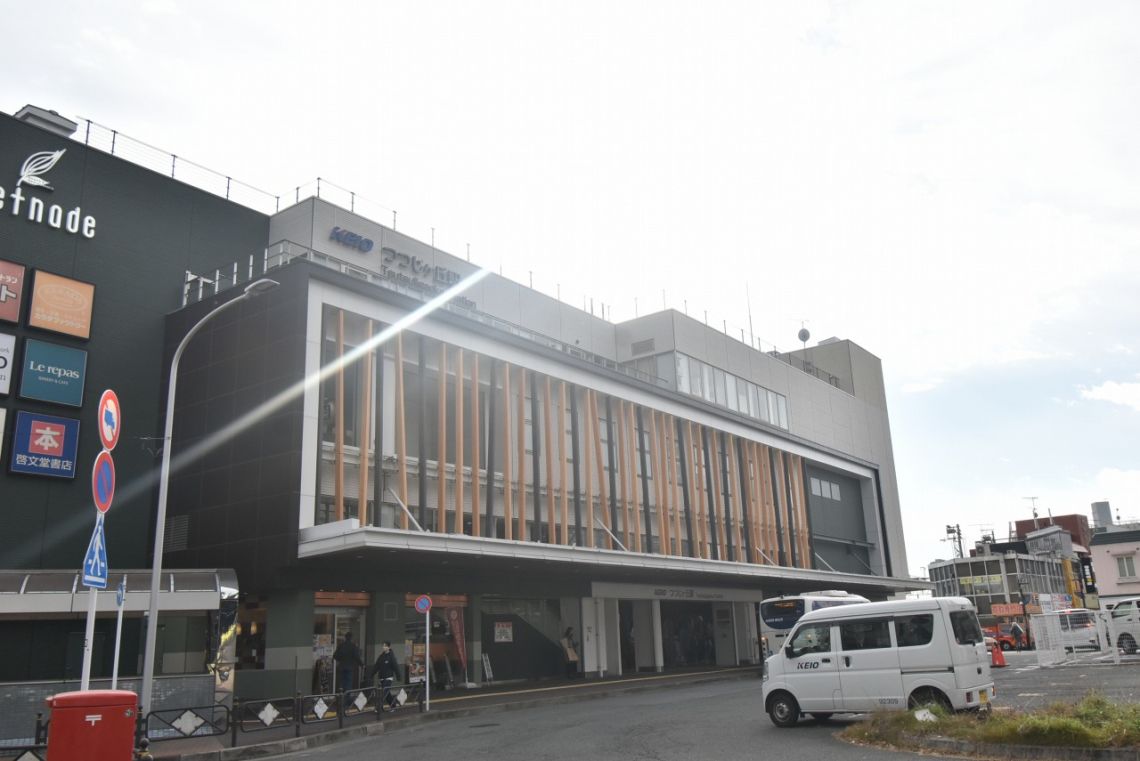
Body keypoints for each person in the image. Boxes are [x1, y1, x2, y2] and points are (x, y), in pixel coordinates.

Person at [369, 641, 401, 711]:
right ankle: (393, 706)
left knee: (383, 692)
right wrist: (371, 675)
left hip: (388, 678)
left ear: (389, 647)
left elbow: (396, 667)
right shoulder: (381, 656)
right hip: (382, 678)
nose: (383, 647)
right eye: (383, 646)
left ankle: (378, 708)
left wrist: (399, 677)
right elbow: (376, 666)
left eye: (385, 646)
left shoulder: (391, 657)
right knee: (387, 693)